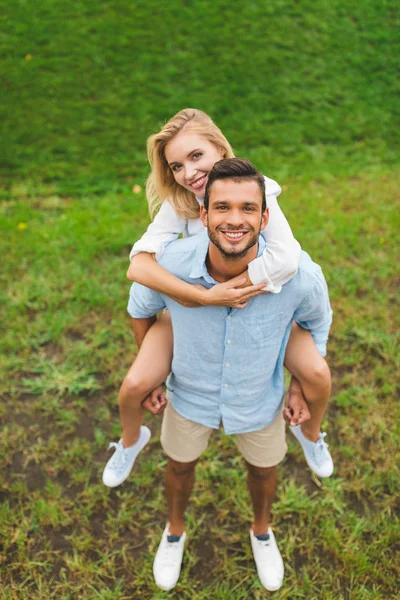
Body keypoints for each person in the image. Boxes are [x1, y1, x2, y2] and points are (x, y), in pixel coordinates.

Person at [127, 158, 333, 591]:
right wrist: (156, 373)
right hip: (188, 396)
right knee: (179, 467)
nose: (234, 220)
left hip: (259, 399)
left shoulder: (298, 276)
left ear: (265, 216)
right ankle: (174, 532)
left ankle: (261, 531)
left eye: (246, 208)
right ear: (203, 215)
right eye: (221, 208)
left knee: (264, 470)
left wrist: (299, 383)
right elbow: (141, 309)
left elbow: (318, 322)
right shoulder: (170, 265)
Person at [102, 108, 332, 488]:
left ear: (221, 150)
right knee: (134, 385)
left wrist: (239, 284)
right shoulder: (182, 204)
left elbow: (287, 260)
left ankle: (311, 435)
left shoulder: (257, 189)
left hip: (260, 308)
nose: (188, 173)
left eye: (196, 157)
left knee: (317, 375)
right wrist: (205, 295)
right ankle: (131, 440)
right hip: (193, 311)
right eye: (176, 166)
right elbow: (138, 267)